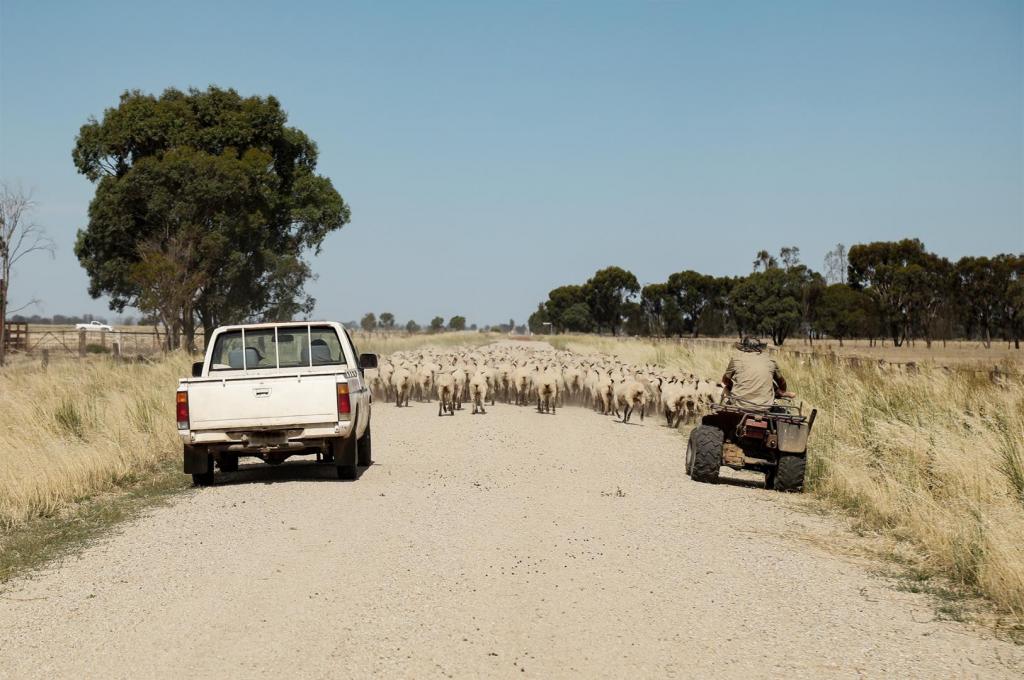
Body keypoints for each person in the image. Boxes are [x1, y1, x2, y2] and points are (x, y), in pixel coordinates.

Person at [721, 337, 794, 410]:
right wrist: (782, 391)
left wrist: (732, 386)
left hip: (740, 405)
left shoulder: (736, 359)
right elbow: (782, 382)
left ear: (744, 348)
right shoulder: (770, 360)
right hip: (765, 407)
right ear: (760, 348)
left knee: (725, 390)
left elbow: (725, 380)